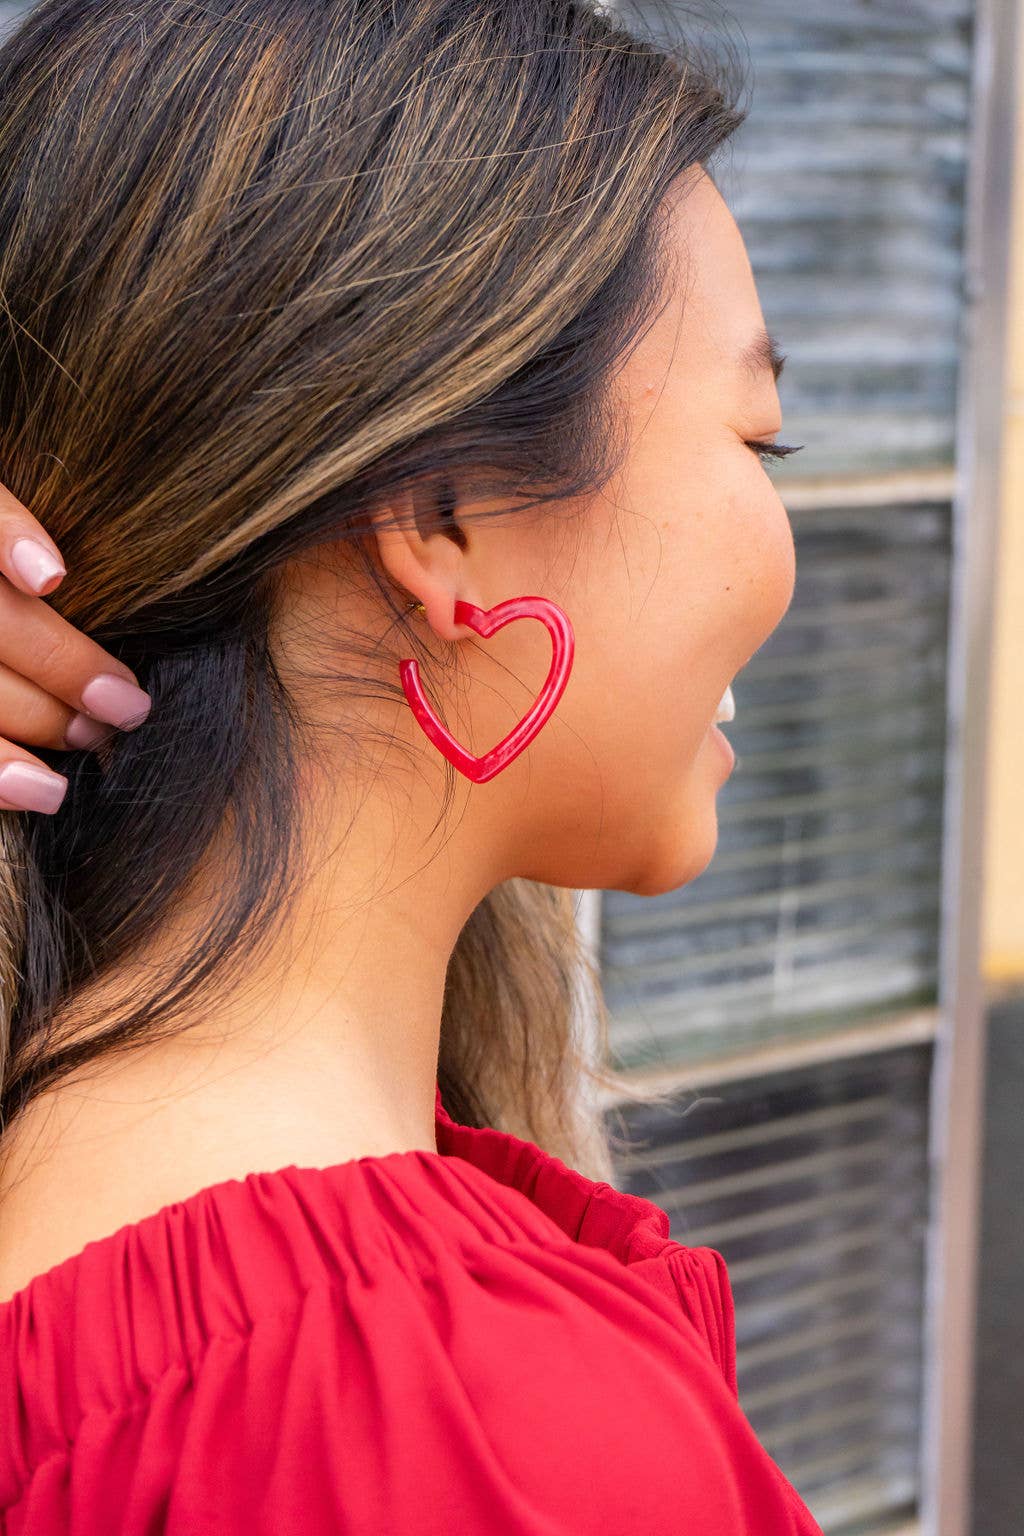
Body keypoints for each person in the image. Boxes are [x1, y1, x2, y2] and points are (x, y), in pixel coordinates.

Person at [0, 0, 817, 1530]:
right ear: (441, 516)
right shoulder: (453, 1419)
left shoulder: (129, 1265)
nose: (790, 547)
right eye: (760, 441)